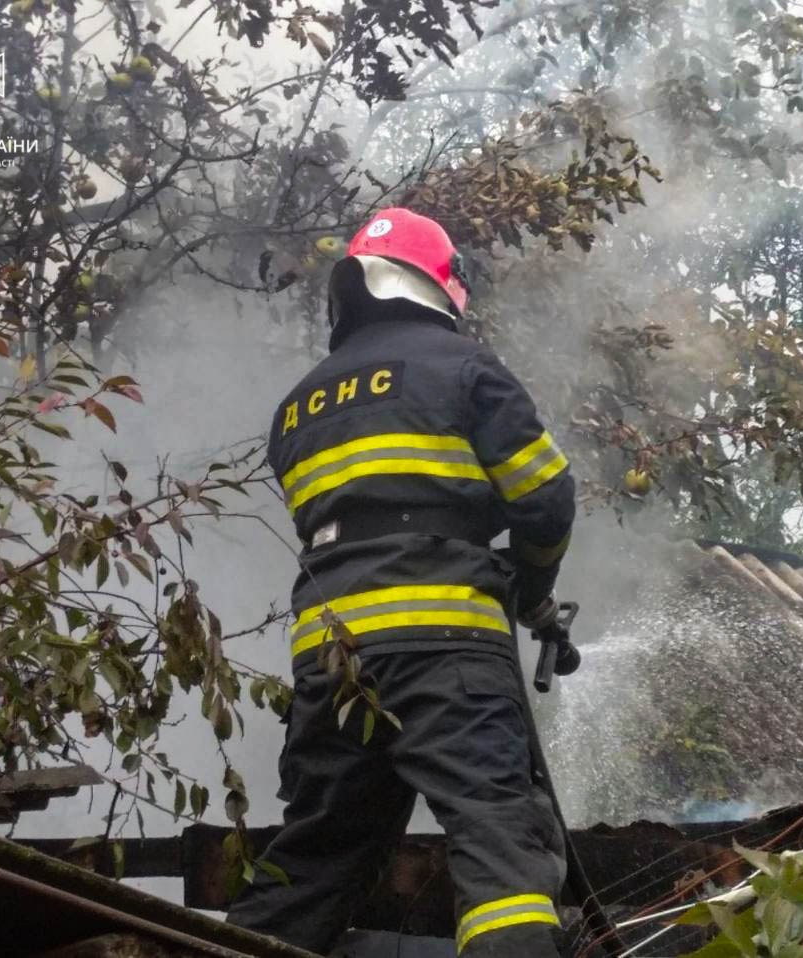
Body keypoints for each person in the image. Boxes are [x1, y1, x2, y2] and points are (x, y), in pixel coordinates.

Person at [228, 208, 576, 958]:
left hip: (333, 657)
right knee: (496, 833)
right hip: (443, 645)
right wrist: (531, 586)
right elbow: (546, 497)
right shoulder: (466, 371)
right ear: (440, 284)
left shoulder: (299, 405)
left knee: (319, 854)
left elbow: (355, 517)